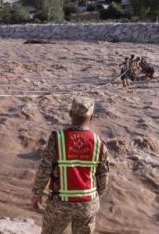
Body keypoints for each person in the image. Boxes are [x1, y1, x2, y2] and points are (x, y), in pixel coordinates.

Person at [31, 97, 109, 234]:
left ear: (70, 114)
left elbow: (44, 169)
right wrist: (97, 196)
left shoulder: (57, 138)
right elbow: (103, 176)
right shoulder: (99, 142)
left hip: (59, 203)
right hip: (88, 203)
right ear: (92, 117)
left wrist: (37, 193)